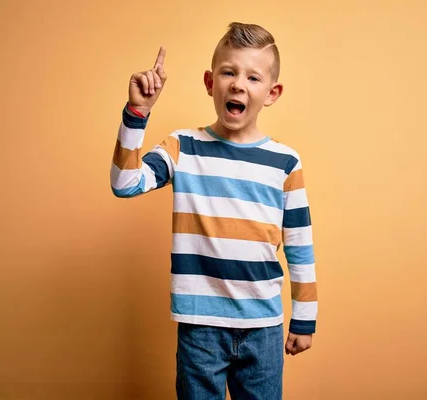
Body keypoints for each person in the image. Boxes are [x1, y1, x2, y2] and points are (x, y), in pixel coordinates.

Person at [111, 22, 318, 400]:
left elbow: (299, 244)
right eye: (228, 72)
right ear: (210, 83)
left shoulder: (285, 162)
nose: (238, 84)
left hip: (263, 328)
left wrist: (304, 317)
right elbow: (125, 184)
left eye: (253, 77)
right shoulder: (182, 147)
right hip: (199, 327)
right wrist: (136, 113)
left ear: (272, 93)